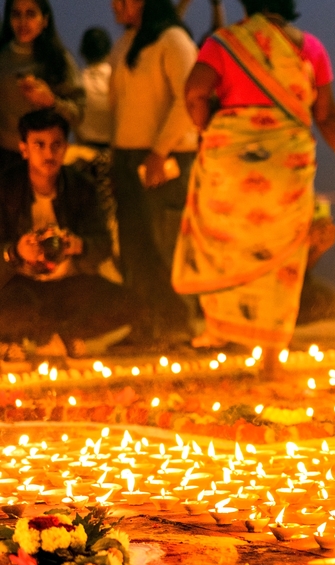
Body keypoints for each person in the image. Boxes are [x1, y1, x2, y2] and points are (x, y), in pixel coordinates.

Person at [178, 0, 335, 380]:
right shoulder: (309, 48)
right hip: (285, 171)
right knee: (283, 259)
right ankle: (269, 359)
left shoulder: (224, 42)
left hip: (231, 166)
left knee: (227, 245)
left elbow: (195, 91)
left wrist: (212, 130)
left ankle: (221, 333)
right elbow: (326, 115)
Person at [0, 109, 137, 361]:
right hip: (19, 284)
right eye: (39, 145)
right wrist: (16, 252)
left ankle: (51, 334)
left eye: (56, 145)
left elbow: (103, 243)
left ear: (66, 146)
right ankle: (40, 335)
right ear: (24, 149)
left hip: (65, 284)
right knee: (15, 306)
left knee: (128, 303)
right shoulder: (6, 187)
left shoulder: (80, 186)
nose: (49, 154)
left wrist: (79, 245)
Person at [109, 0, 198, 345]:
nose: (117, 5)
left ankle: (177, 325)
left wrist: (160, 151)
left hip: (166, 157)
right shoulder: (127, 43)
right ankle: (143, 325)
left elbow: (187, 99)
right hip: (128, 157)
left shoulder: (173, 40)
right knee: (135, 247)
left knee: (166, 244)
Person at [0, 0, 84, 173]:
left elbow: (77, 115)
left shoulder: (58, 60)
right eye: (16, 14)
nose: (23, 22)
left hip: (46, 158)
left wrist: (51, 101)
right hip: (5, 158)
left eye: (31, 14)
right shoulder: (3, 57)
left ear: (45, 20)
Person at [77, 27, 112, 148]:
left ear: (83, 52)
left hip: (86, 147)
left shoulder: (78, 81)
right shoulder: (116, 79)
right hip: (114, 148)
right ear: (109, 51)